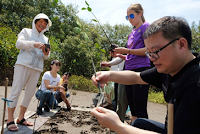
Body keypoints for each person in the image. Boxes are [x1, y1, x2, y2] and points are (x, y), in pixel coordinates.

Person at [91, 16, 200, 134]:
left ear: (182, 45)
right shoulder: (172, 68)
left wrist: (118, 126)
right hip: (172, 129)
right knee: (139, 124)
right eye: (149, 52)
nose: (152, 58)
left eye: (156, 51)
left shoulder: (195, 85)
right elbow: (136, 77)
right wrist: (109, 75)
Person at [6, 13, 51, 131]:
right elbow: (18, 44)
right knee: (16, 90)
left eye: (45, 23)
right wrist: (33, 44)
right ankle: (10, 119)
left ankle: (21, 118)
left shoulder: (45, 39)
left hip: (37, 68)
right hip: (23, 64)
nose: (43, 24)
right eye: (41, 21)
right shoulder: (26, 31)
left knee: (30, 93)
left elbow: (46, 57)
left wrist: (46, 53)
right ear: (35, 22)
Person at [113, 3, 151, 122]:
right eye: (127, 17)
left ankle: (143, 129)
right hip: (128, 70)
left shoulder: (145, 26)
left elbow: (148, 49)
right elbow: (132, 53)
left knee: (140, 107)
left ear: (140, 14)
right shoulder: (132, 32)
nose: (129, 19)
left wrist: (127, 50)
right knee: (133, 107)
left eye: (131, 15)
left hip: (141, 69)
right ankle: (134, 129)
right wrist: (124, 55)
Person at [101, 44, 125, 111]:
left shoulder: (120, 58)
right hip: (113, 80)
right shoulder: (114, 59)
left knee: (116, 98)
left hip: (118, 80)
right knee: (112, 98)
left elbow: (117, 70)